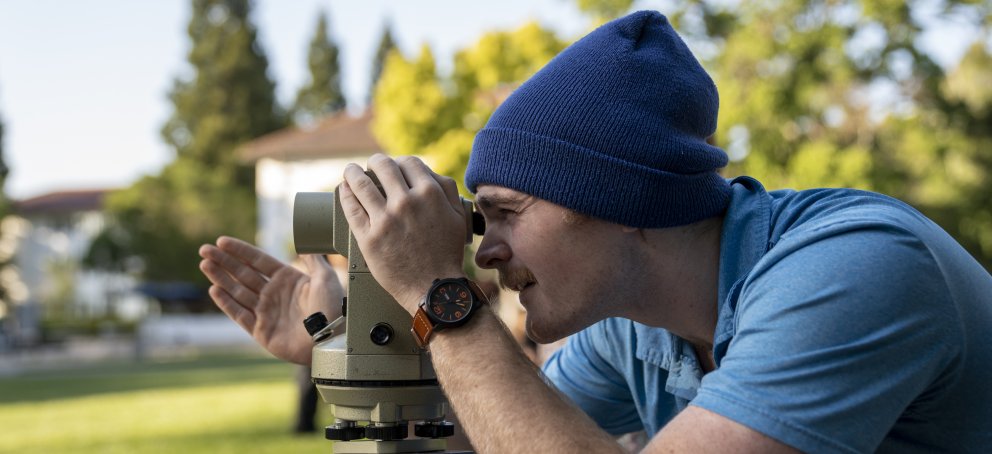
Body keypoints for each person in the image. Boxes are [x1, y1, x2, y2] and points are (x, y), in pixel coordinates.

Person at [198, 10, 992, 453]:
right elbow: (497, 438)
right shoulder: (635, 324)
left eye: (506, 212)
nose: (484, 249)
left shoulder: (852, 270)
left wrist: (443, 299)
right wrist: (349, 347)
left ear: (626, 201)